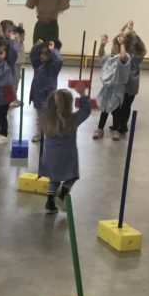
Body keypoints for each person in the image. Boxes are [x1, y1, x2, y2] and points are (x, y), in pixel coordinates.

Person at [39, 83, 91, 214]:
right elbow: (86, 111)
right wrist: (82, 95)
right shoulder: (73, 120)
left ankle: (50, 204)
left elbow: (44, 107)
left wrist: (48, 97)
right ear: (69, 105)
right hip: (67, 158)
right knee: (73, 176)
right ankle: (62, 194)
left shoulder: (46, 119)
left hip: (50, 158)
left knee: (54, 179)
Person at [110, 21, 146, 135]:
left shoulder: (126, 55)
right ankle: (122, 125)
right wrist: (130, 29)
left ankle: (119, 125)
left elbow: (118, 42)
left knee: (119, 105)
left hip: (125, 83)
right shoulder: (139, 53)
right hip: (132, 84)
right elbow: (135, 40)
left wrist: (127, 29)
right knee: (126, 105)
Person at [92, 33, 131, 141]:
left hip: (117, 88)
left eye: (115, 45)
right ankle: (100, 129)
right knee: (104, 108)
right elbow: (101, 55)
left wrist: (122, 44)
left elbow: (123, 57)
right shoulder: (110, 56)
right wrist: (102, 45)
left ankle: (116, 130)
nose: (112, 47)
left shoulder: (125, 57)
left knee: (116, 109)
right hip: (107, 88)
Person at [29, 39, 64, 142]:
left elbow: (59, 60)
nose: (42, 56)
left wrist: (53, 50)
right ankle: (40, 133)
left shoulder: (53, 67)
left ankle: (52, 132)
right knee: (40, 116)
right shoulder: (38, 64)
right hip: (38, 95)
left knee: (50, 116)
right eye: (41, 54)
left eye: (45, 54)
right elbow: (33, 57)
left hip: (48, 96)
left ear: (51, 56)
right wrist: (36, 47)